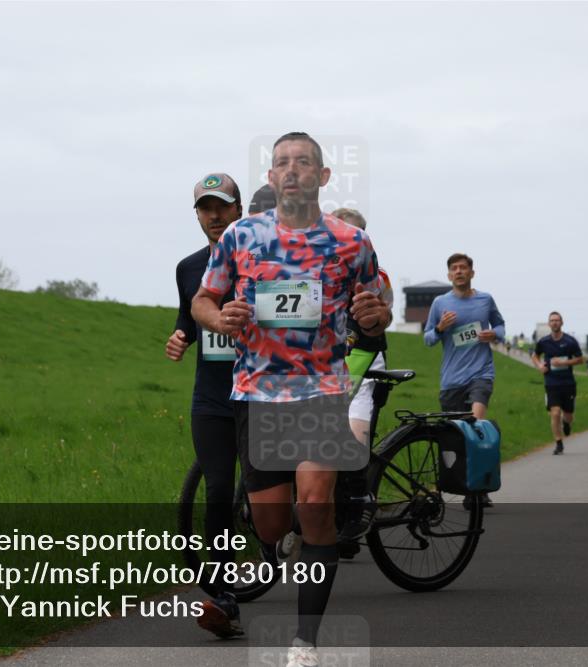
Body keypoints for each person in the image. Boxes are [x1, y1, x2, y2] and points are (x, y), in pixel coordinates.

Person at [192, 132, 390, 667]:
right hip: (257, 392)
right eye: (283, 163)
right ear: (272, 179)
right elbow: (203, 299)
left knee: (316, 505)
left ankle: (304, 644)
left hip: (323, 390)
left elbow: (379, 302)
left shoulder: (352, 242)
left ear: (323, 177)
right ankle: (282, 544)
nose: (293, 170)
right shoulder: (240, 235)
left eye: (304, 162)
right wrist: (218, 317)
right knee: (273, 524)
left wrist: (376, 315)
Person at [166, 172, 244, 638]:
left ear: (239, 209)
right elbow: (187, 317)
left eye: (222, 206)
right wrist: (180, 335)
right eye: (205, 208)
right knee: (218, 490)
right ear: (197, 215)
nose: (214, 216)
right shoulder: (188, 267)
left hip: (261, 396)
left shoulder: (263, 258)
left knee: (262, 496)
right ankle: (223, 598)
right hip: (212, 398)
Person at [424, 253, 505, 505]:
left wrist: (494, 334)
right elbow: (427, 339)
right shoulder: (440, 303)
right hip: (451, 380)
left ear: (472, 273)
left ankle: (478, 491)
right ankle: (463, 484)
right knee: (458, 437)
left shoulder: (485, 299)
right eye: (454, 269)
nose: (459, 272)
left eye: (463, 268)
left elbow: (501, 327)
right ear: (449, 275)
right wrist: (440, 328)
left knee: (476, 427)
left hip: (481, 374)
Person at [334, 207, 392, 551]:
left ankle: (361, 502)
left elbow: (383, 312)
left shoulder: (375, 275)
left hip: (366, 366)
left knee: (354, 440)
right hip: (328, 368)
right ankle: (340, 522)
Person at [531, 312, 584, 455]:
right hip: (551, 382)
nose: (554, 323)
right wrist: (540, 366)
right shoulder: (544, 341)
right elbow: (535, 355)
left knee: (568, 414)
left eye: (557, 320)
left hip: (568, 383)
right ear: (549, 324)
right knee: (554, 413)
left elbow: (580, 359)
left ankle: (566, 423)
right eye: (552, 320)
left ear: (562, 323)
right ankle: (558, 443)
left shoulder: (570, 341)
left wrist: (564, 362)